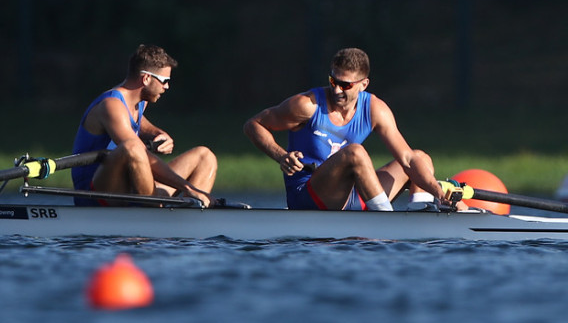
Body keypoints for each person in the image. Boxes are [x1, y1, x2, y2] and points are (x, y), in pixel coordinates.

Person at [244, 47, 457, 211]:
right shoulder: (306, 105)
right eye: (332, 81)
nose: (336, 89)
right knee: (355, 153)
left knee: (420, 159)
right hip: (308, 196)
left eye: (345, 85)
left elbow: (408, 160)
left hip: (353, 195)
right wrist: (281, 156)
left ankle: (421, 213)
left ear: (363, 85)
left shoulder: (375, 109)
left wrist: (437, 190)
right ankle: (385, 219)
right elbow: (253, 124)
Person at [71, 44, 216, 207]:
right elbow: (140, 152)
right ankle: (154, 210)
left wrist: (157, 133)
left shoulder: (139, 102)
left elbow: (137, 121)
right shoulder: (111, 105)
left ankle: (195, 212)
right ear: (146, 78)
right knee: (133, 147)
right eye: (164, 81)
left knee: (205, 156)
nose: (167, 87)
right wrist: (187, 187)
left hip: (129, 189)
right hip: (96, 193)